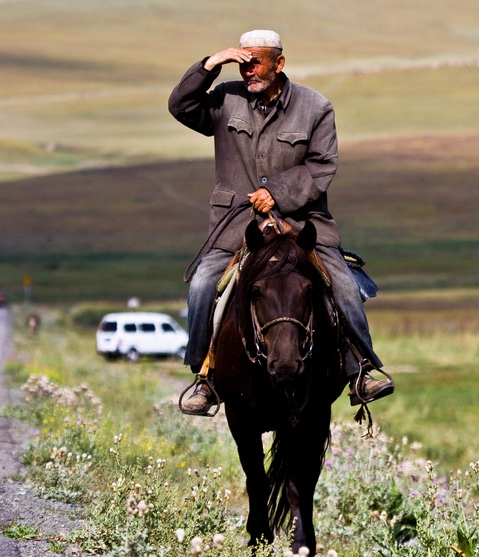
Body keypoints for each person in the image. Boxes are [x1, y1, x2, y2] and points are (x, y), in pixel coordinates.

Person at [168, 29, 393, 415]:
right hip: (236, 229)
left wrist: (279, 193)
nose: (247, 70)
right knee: (203, 284)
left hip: (302, 225)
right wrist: (210, 64)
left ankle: (361, 367)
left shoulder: (315, 107)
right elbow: (181, 106)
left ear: (279, 63)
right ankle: (204, 376)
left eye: (255, 62)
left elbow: (322, 165)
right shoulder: (225, 100)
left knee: (342, 283)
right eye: (242, 62)